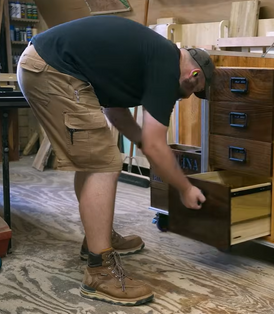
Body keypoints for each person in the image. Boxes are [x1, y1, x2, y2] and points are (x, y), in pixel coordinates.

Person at [16, 15, 213, 306]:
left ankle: (98, 237)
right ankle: (100, 271)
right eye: (194, 92)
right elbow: (157, 146)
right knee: (103, 163)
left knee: (95, 158)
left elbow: (116, 113)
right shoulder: (166, 64)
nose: (187, 97)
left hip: (46, 64)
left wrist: (145, 142)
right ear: (193, 75)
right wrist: (185, 188)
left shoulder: (151, 56)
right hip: (52, 69)